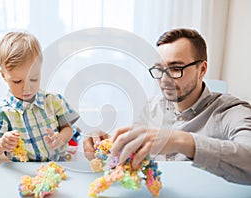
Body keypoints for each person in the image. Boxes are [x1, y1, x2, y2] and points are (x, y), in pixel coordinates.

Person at [83, 28, 251, 184]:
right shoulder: (152, 107)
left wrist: (181, 141)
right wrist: (105, 149)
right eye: (159, 69)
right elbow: (132, 159)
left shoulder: (231, 111)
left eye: (176, 68)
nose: (164, 80)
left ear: (202, 69)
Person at [0, 32, 79, 162]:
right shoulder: (3, 112)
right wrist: (1, 143)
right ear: (3, 75)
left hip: (58, 165)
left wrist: (61, 138)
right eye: (17, 81)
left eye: (33, 79)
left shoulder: (54, 101)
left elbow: (68, 129)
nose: (27, 88)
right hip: (25, 172)